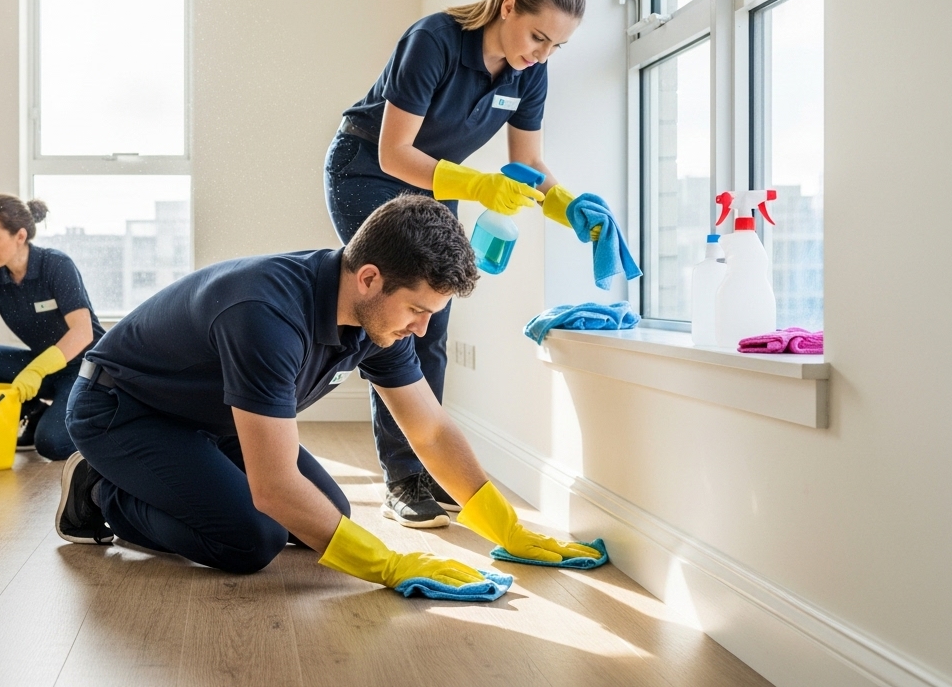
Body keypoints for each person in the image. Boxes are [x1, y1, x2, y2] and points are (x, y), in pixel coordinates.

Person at [54, 196, 601, 589]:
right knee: (253, 539)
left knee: (327, 512)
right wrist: (386, 565)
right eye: (417, 310)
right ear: (368, 278)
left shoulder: (377, 319)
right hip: (122, 412)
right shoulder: (265, 315)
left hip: (211, 415)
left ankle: (157, 478)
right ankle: (103, 494)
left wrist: (505, 527)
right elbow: (272, 488)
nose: (422, 329)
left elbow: (429, 429)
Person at [324, 0, 604, 527]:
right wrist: (478, 187)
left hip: (443, 183)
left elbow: (528, 163)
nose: (543, 54)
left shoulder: (531, 74)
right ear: (507, 7)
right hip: (367, 171)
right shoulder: (434, 40)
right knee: (397, 308)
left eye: (557, 45)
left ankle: (425, 467)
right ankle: (401, 478)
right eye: (537, 37)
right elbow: (394, 151)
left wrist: (570, 208)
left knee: (434, 319)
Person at [0, 195, 104, 459]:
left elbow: (82, 332)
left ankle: (99, 419)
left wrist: (37, 370)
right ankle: (33, 410)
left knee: (52, 444)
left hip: (84, 370)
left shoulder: (56, 265)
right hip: (44, 369)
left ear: (20, 236)